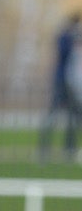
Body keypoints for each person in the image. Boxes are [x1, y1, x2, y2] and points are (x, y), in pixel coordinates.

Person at [39, 12, 82, 161]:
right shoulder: (65, 37)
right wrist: (72, 39)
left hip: (74, 83)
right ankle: (44, 150)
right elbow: (62, 53)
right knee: (52, 116)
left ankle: (69, 150)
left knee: (73, 119)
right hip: (62, 82)